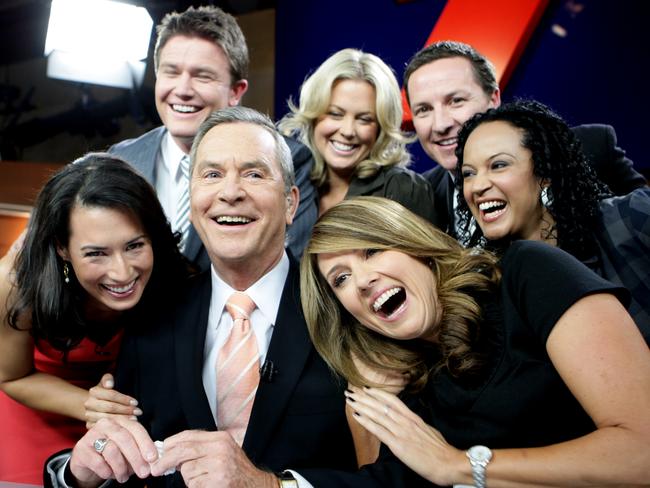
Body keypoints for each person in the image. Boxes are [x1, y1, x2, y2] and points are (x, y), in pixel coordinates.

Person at [46, 108, 424, 488]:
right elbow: (125, 464)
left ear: (291, 203)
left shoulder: (352, 309)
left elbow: (403, 478)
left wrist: (273, 486)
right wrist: (79, 476)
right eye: (211, 175)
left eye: (254, 174)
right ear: (192, 201)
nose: (230, 193)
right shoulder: (151, 317)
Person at [301, 196, 650, 488]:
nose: (361, 281)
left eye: (373, 250)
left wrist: (461, 465)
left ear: (415, 246)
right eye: (341, 279)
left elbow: (642, 451)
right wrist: (365, 405)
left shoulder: (527, 273)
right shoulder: (403, 378)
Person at [0, 154, 189, 485]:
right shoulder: (15, 285)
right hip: (35, 412)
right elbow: (11, 378)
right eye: (96, 253)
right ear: (61, 247)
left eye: (134, 246)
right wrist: (89, 403)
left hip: (128, 415)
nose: (122, 273)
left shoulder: (177, 278)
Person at [108, 5, 315, 266]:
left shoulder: (289, 159)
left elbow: (290, 266)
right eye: (171, 72)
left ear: (236, 92)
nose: (182, 90)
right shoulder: (121, 159)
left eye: (202, 76)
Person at [403, 40, 647, 240]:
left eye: (456, 101)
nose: (441, 124)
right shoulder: (420, 196)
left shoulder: (589, 147)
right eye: (423, 109)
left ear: (493, 99)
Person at [455, 99, 650, 341]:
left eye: (498, 165)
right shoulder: (487, 289)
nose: (478, 186)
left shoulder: (630, 217)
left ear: (544, 173)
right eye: (469, 173)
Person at [279, 48, 439, 247]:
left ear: (381, 127)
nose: (347, 131)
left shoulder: (403, 189)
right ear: (313, 116)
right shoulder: (291, 181)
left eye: (364, 119)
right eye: (335, 114)